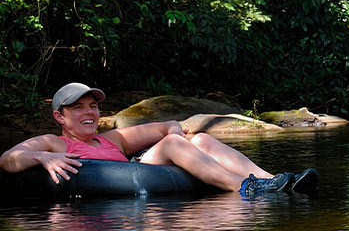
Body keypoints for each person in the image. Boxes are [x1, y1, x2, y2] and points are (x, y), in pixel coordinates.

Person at [0, 83, 315, 197]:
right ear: (60, 116)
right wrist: (43, 158)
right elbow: (7, 159)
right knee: (175, 146)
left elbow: (168, 125)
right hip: (125, 200)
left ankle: (272, 181)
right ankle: (245, 187)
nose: (89, 113)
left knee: (201, 138)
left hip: (140, 170)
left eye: (93, 106)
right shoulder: (54, 143)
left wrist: (180, 133)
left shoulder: (113, 139)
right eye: (78, 107)